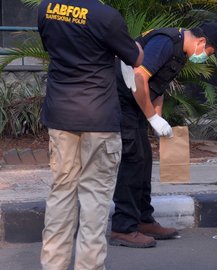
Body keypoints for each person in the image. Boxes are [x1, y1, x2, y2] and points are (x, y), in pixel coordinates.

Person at [37, 0, 143, 269]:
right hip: (99, 119)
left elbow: (51, 48)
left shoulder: (47, 8)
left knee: (61, 194)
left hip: (61, 118)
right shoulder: (105, 16)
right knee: (94, 199)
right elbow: (136, 58)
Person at [109, 21, 217, 248]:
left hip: (136, 103)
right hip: (121, 100)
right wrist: (152, 117)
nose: (205, 57)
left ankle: (143, 220)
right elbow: (139, 78)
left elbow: (157, 85)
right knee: (133, 161)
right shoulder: (165, 43)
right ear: (202, 42)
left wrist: (157, 119)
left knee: (143, 161)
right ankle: (122, 228)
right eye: (209, 53)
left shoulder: (180, 51)